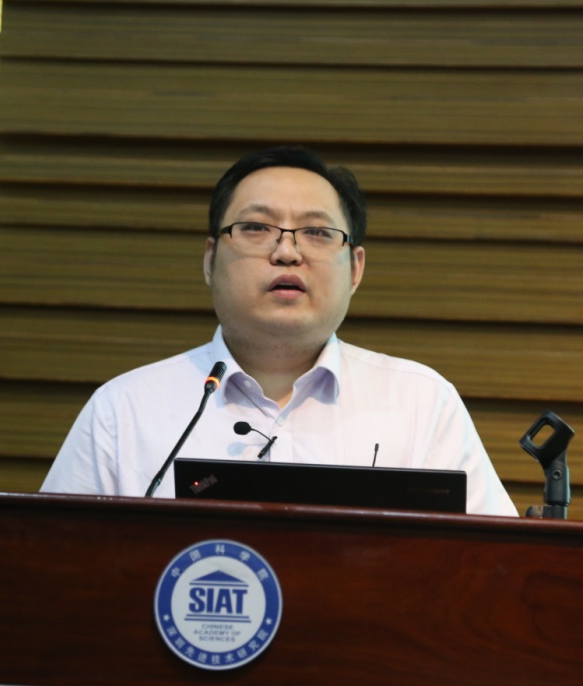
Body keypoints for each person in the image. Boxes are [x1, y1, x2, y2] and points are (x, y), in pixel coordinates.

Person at [41, 146, 517, 516]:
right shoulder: (122, 412)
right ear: (210, 259)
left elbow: (489, 570)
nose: (287, 252)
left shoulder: (421, 404)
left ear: (355, 269)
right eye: (256, 228)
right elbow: (58, 570)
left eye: (317, 232)